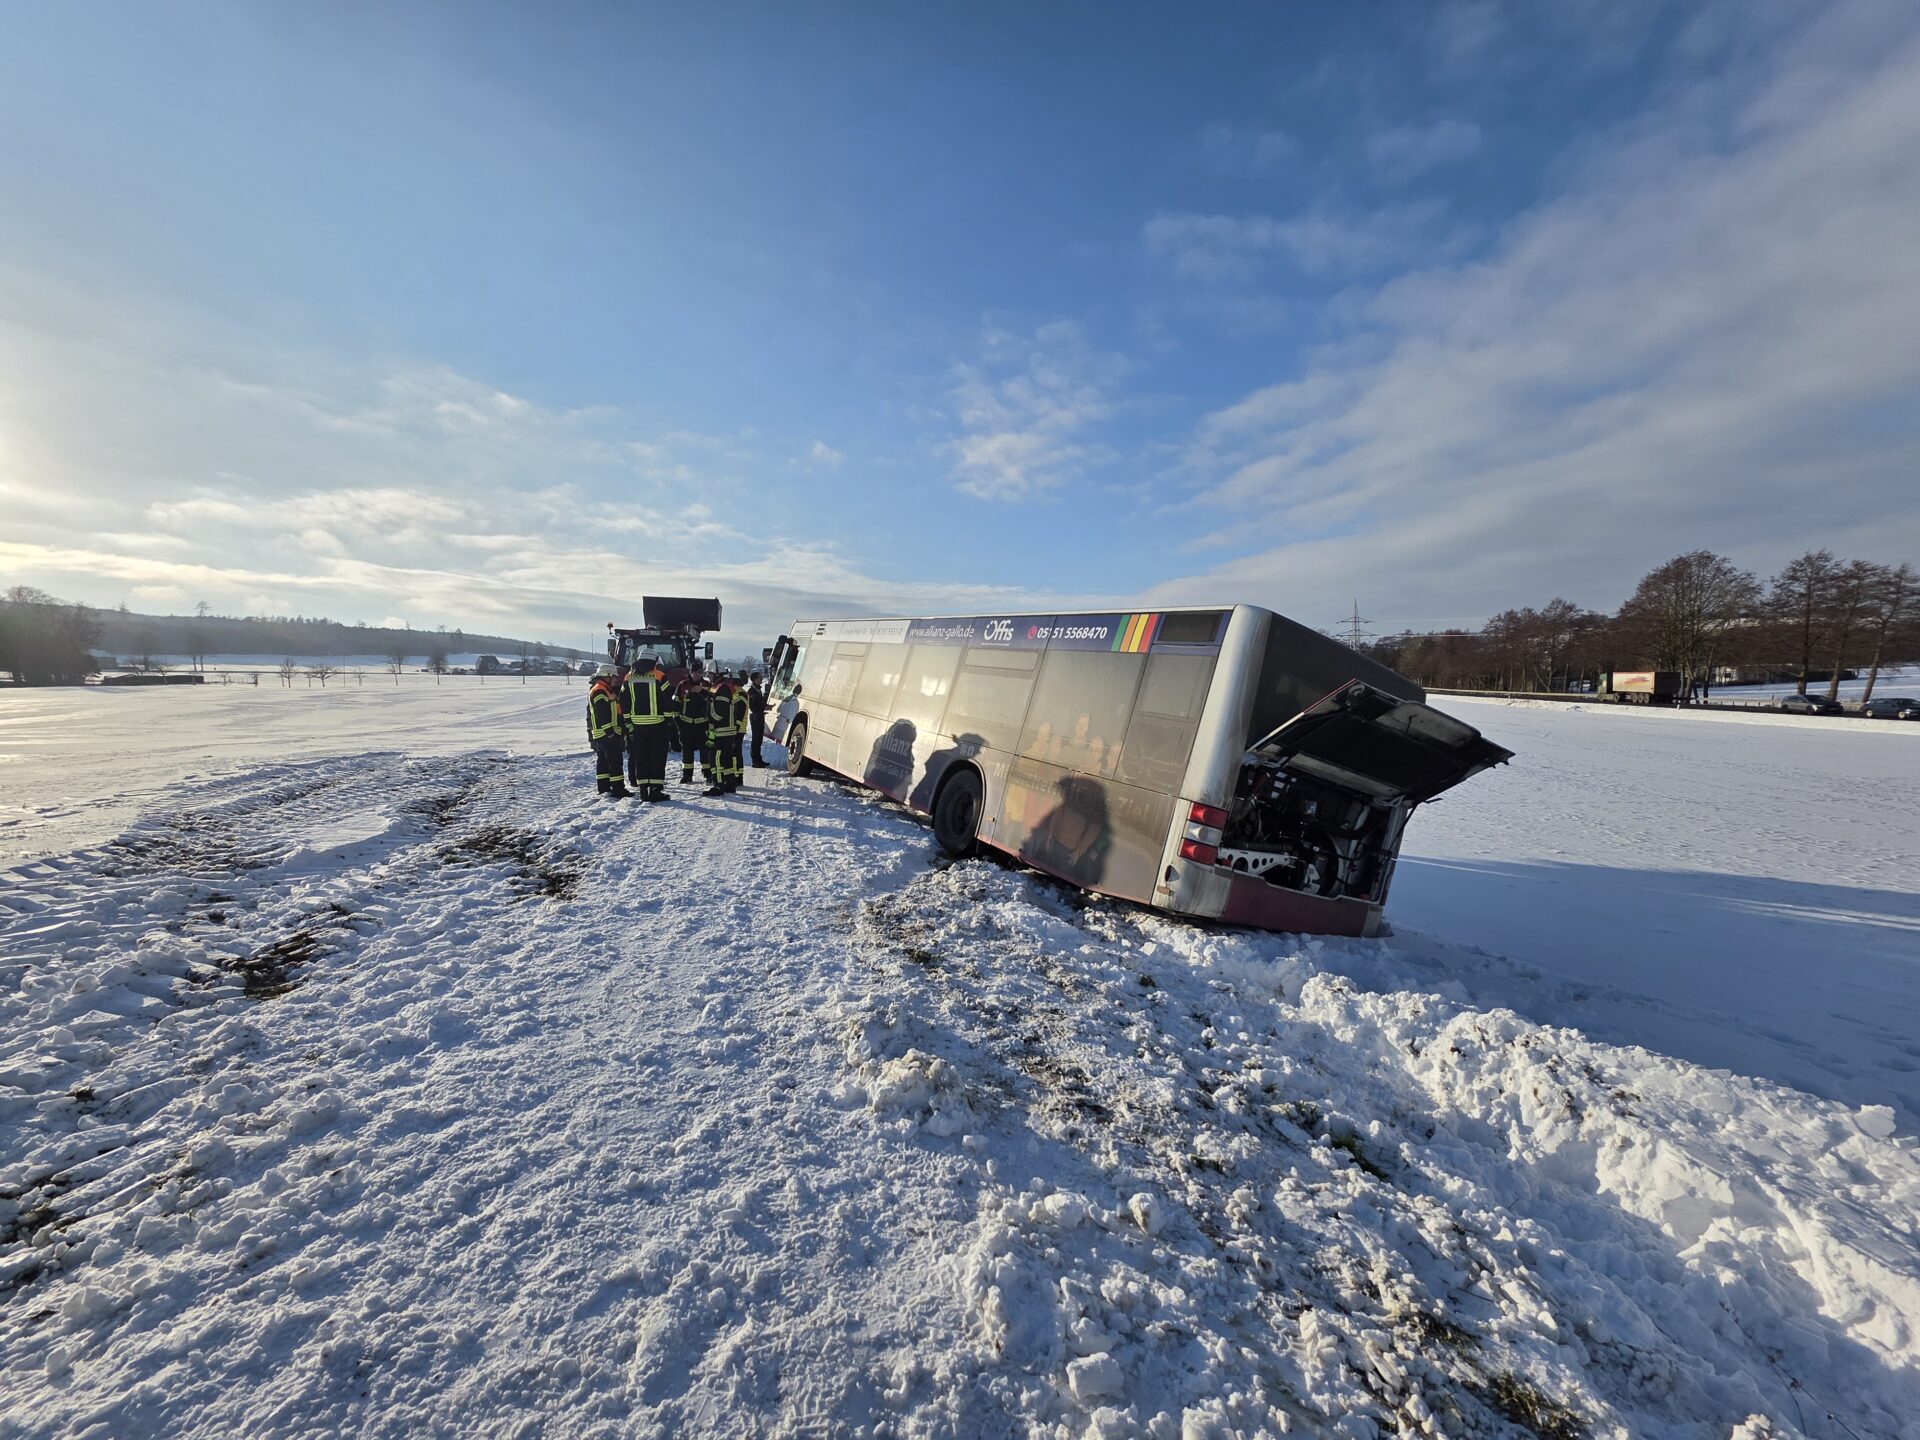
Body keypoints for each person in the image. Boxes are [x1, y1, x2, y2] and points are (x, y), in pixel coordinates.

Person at [621, 654, 673, 802]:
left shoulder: (628, 677)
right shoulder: (659, 676)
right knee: (657, 757)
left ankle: (643, 790)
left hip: (638, 725)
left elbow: (623, 700)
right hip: (658, 724)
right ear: (653, 662)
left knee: (641, 757)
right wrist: (669, 719)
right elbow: (667, 700)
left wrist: (628, 720)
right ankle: (655, 790)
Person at [586, 664, 628, 799]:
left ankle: (604, 787)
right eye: (613, 677)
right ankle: (618, 789)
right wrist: (610, 731)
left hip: (603, 733)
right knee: (615, 762)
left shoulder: (603, 689)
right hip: (607, 734)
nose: (616, 680)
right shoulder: (600, 691)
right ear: (607, 676)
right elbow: (602, 713)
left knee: (603, 762)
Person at [705, 671, 745, 796]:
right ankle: (730, 784)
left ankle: (719, 785)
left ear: (717, 674)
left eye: (710, 674)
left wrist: (710, 719)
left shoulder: (721, 688)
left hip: (721, 730)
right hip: (726, 730)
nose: (708, 676)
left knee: (715, 758)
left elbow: (720, 711)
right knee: (727, 759)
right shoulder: (723, 686)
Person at [675, 660, 713, 787]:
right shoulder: (682, 684)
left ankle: (707, 773)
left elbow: (711, 701)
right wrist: (677, 719)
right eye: (695, 672)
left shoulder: (707, 684)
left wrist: (701, 691)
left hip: (702, 724)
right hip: (686, 724)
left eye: (699, 672)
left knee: (705, 749)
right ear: (690, 672)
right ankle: (687, 774)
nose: (697, 674)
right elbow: (676, 702)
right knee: (687, 749)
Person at [747, 671, 769, 767]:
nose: (762, 679)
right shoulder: (751, 691)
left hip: (759, 715)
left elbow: (760, 702)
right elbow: (751, 705)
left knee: (759, 739)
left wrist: (766, 706)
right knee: (756, 739)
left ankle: (759, 760)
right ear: (755, 679)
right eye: (760, 677)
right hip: (755, 716)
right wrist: (762, 708)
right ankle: (755, 761)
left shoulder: (758, 689)